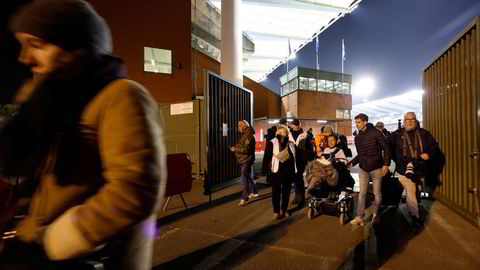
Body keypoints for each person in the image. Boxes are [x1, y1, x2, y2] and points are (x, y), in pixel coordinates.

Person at [0, 1, 166, 269]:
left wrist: (56, 241)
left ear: (76, 48)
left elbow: (135, 189)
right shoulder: (52, 100)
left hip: (87, 258)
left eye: (37, 45)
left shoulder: (121, 95)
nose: (25, 57)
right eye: (23, 45)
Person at [390, 112, 438, 232]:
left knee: (416, 191)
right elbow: (389, 150)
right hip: (404, 170)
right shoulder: (396, 134)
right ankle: (416, 218)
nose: (410, 121)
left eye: (412, 119)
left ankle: (414, 207)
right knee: (411, 193)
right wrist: (400, 163)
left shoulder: (424, 133)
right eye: (407, 119)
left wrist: (428, 154)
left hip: (421, 169)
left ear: (416, 120)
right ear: (404, 121)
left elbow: (434, 146)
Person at [349, 113, 390, 226]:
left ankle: (376, 215)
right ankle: (359, 217)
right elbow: (360, 155)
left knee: (377, 193)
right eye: (355, 122)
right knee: (362, 194)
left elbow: (386, 148)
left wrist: (386, 164)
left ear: (365, 122)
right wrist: (352, 162)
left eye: (358, 122)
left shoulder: (377, 133)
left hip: (376, 168)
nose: (356, 125)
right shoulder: (357, 137)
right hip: (363, 168)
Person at [262, 126, 297, 219]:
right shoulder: (273, 142)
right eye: (283, 132)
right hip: (276, 170)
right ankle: (276, 211)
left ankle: (284, 210)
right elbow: (267, 156)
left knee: (286, 192)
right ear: (279, 133)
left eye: (286, 132)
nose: (285, 133)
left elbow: (294, 157)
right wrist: (265, 170)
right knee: (276, 192)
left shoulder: (290, 143)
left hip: (288, 171)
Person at [231, 120, 258, 206]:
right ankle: (254, 191)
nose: (238, 128)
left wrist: (235, 149)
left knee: (244, 178)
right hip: (244, 159)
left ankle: (244, 197)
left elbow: (246, 150)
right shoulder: (245, 135)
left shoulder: (248, 136)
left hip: (246, 159)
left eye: (239, 126)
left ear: (245, 126)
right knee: (246, 176)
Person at [289, 119, 313, 207]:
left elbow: (310, 147)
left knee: (299, 178)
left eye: (298, 124)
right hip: (291, 160)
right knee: (295, 179)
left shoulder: (305, 135)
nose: (297, 126)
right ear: (292, 125)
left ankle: (301, 198)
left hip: (301, 160)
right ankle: (296, 197)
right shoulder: (288, 134)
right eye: (295, 124)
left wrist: (309, 158)